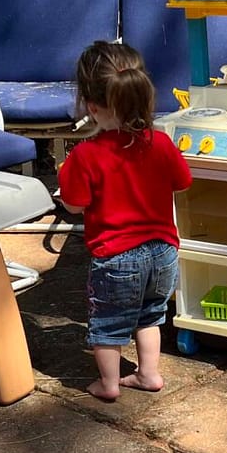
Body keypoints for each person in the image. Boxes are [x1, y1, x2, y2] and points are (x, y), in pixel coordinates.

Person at [58, 41, 192, 401]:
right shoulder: (161, 142)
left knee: (108, 325)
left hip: (117, 257)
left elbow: (73, 205)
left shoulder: (86, 155)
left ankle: (109, 384)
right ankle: (148, 374)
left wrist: (65, 176)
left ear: (91, 106)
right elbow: (183, 182)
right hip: (164, 252)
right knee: (150, 315)